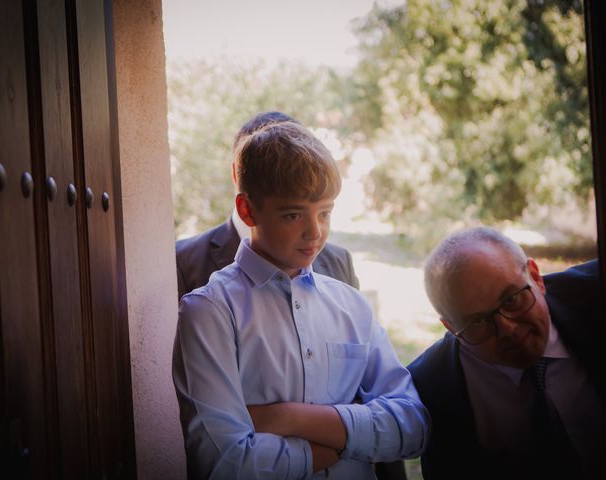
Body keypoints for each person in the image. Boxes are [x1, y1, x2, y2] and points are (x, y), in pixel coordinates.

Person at [172, 121, 430, 479]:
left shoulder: (351, 306)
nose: (316, 232)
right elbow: (226, 465)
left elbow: (413, 426)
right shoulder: (209, 312)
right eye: (294, 214)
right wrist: (352, 442)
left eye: (325, 212)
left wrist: (285, 417)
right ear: (247, 211)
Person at [408, 226, 606, 480]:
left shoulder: (599, 290)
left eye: (511, 300)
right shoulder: (428, 386)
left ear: (536, 278)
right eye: (478, 322)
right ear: (451, 327)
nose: (508, 329)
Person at [175, 111, 359, 298]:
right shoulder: (183, 262)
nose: (315, 233)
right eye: (292, 215)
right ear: (236, 173)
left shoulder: (339, 261)